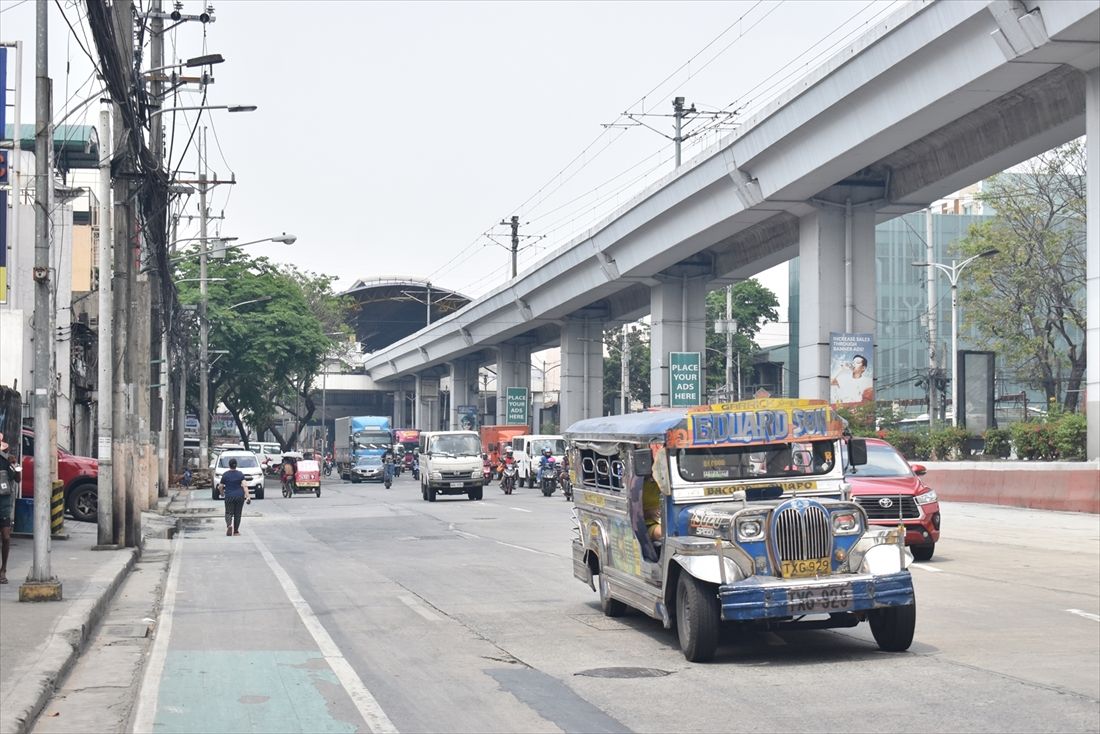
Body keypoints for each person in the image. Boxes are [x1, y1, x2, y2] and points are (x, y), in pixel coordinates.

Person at [0, 432, 16, 584]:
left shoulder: (6, 461)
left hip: (4, 505)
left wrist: (14, 465)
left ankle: (3, 569)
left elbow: (17, 478)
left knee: (5, 537)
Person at [220, 457, 250, 536]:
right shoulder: (240, 474)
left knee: (228, 512)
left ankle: (229, 525)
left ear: (229, 465)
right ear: (236, 465)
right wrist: (248, 496)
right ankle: (236, 531)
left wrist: (222, 493)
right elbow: (244, 485)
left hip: (229, 496)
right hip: (240, 496)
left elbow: (220, 486)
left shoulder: (225, 475)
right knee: (238, 514)